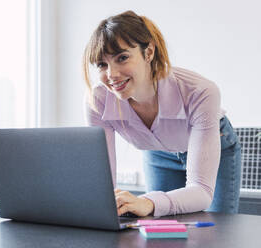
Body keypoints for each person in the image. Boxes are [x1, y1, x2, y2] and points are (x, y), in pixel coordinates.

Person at [82, 10, 241, 217]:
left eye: (122, 58)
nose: (111, 75)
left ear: (148, 53)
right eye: (102, 64)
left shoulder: (201, 92)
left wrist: (148, 202)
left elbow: (201, 191)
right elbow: (102, 185)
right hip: (158, 151)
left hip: (216, 145)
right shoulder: (98, 99)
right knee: (160, 230)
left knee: (218, 230)